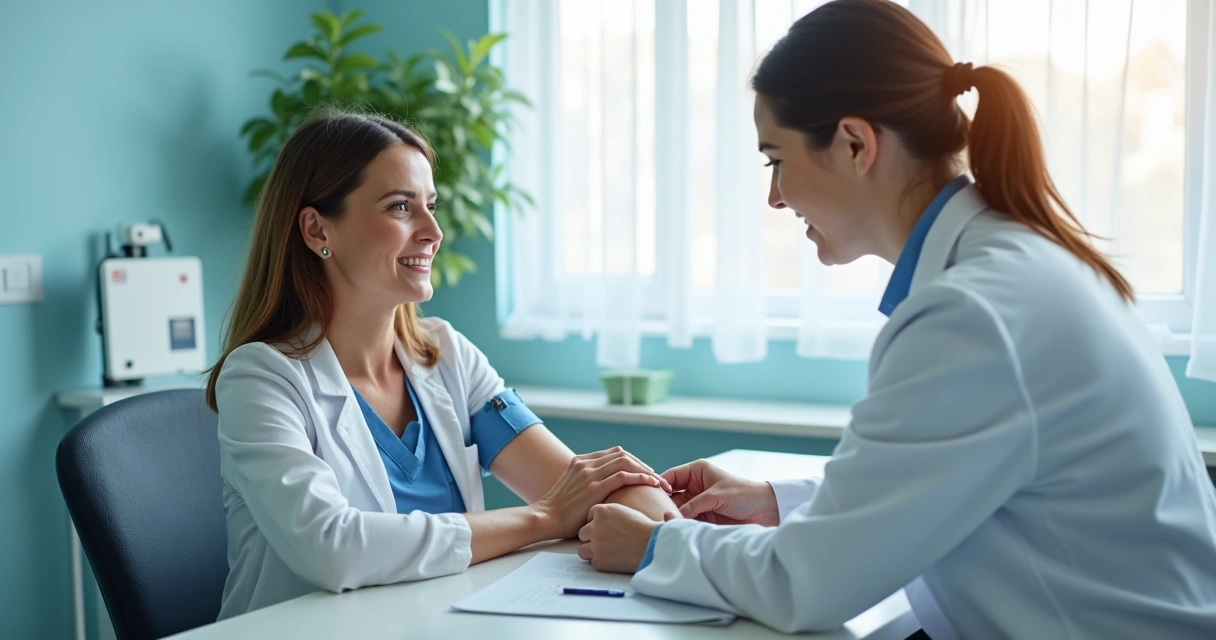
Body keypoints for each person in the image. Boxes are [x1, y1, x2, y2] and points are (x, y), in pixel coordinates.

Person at [576, 1, 1216, 638]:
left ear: (855, 143)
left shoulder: (972, 313)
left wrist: (657, 548)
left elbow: (809, 583)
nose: (774, 196)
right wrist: (778, 500)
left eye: (776, 159)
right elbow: (951, 472)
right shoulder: (1024, 260)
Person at [205, 110, 677, 620]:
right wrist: (545, 517)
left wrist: (669, 537)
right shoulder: (261, 378)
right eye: (400, 207)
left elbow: (584, 490)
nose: (433, 231)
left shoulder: (446, 355)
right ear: (318, 227)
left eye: (430, 206)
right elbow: (333, 549)